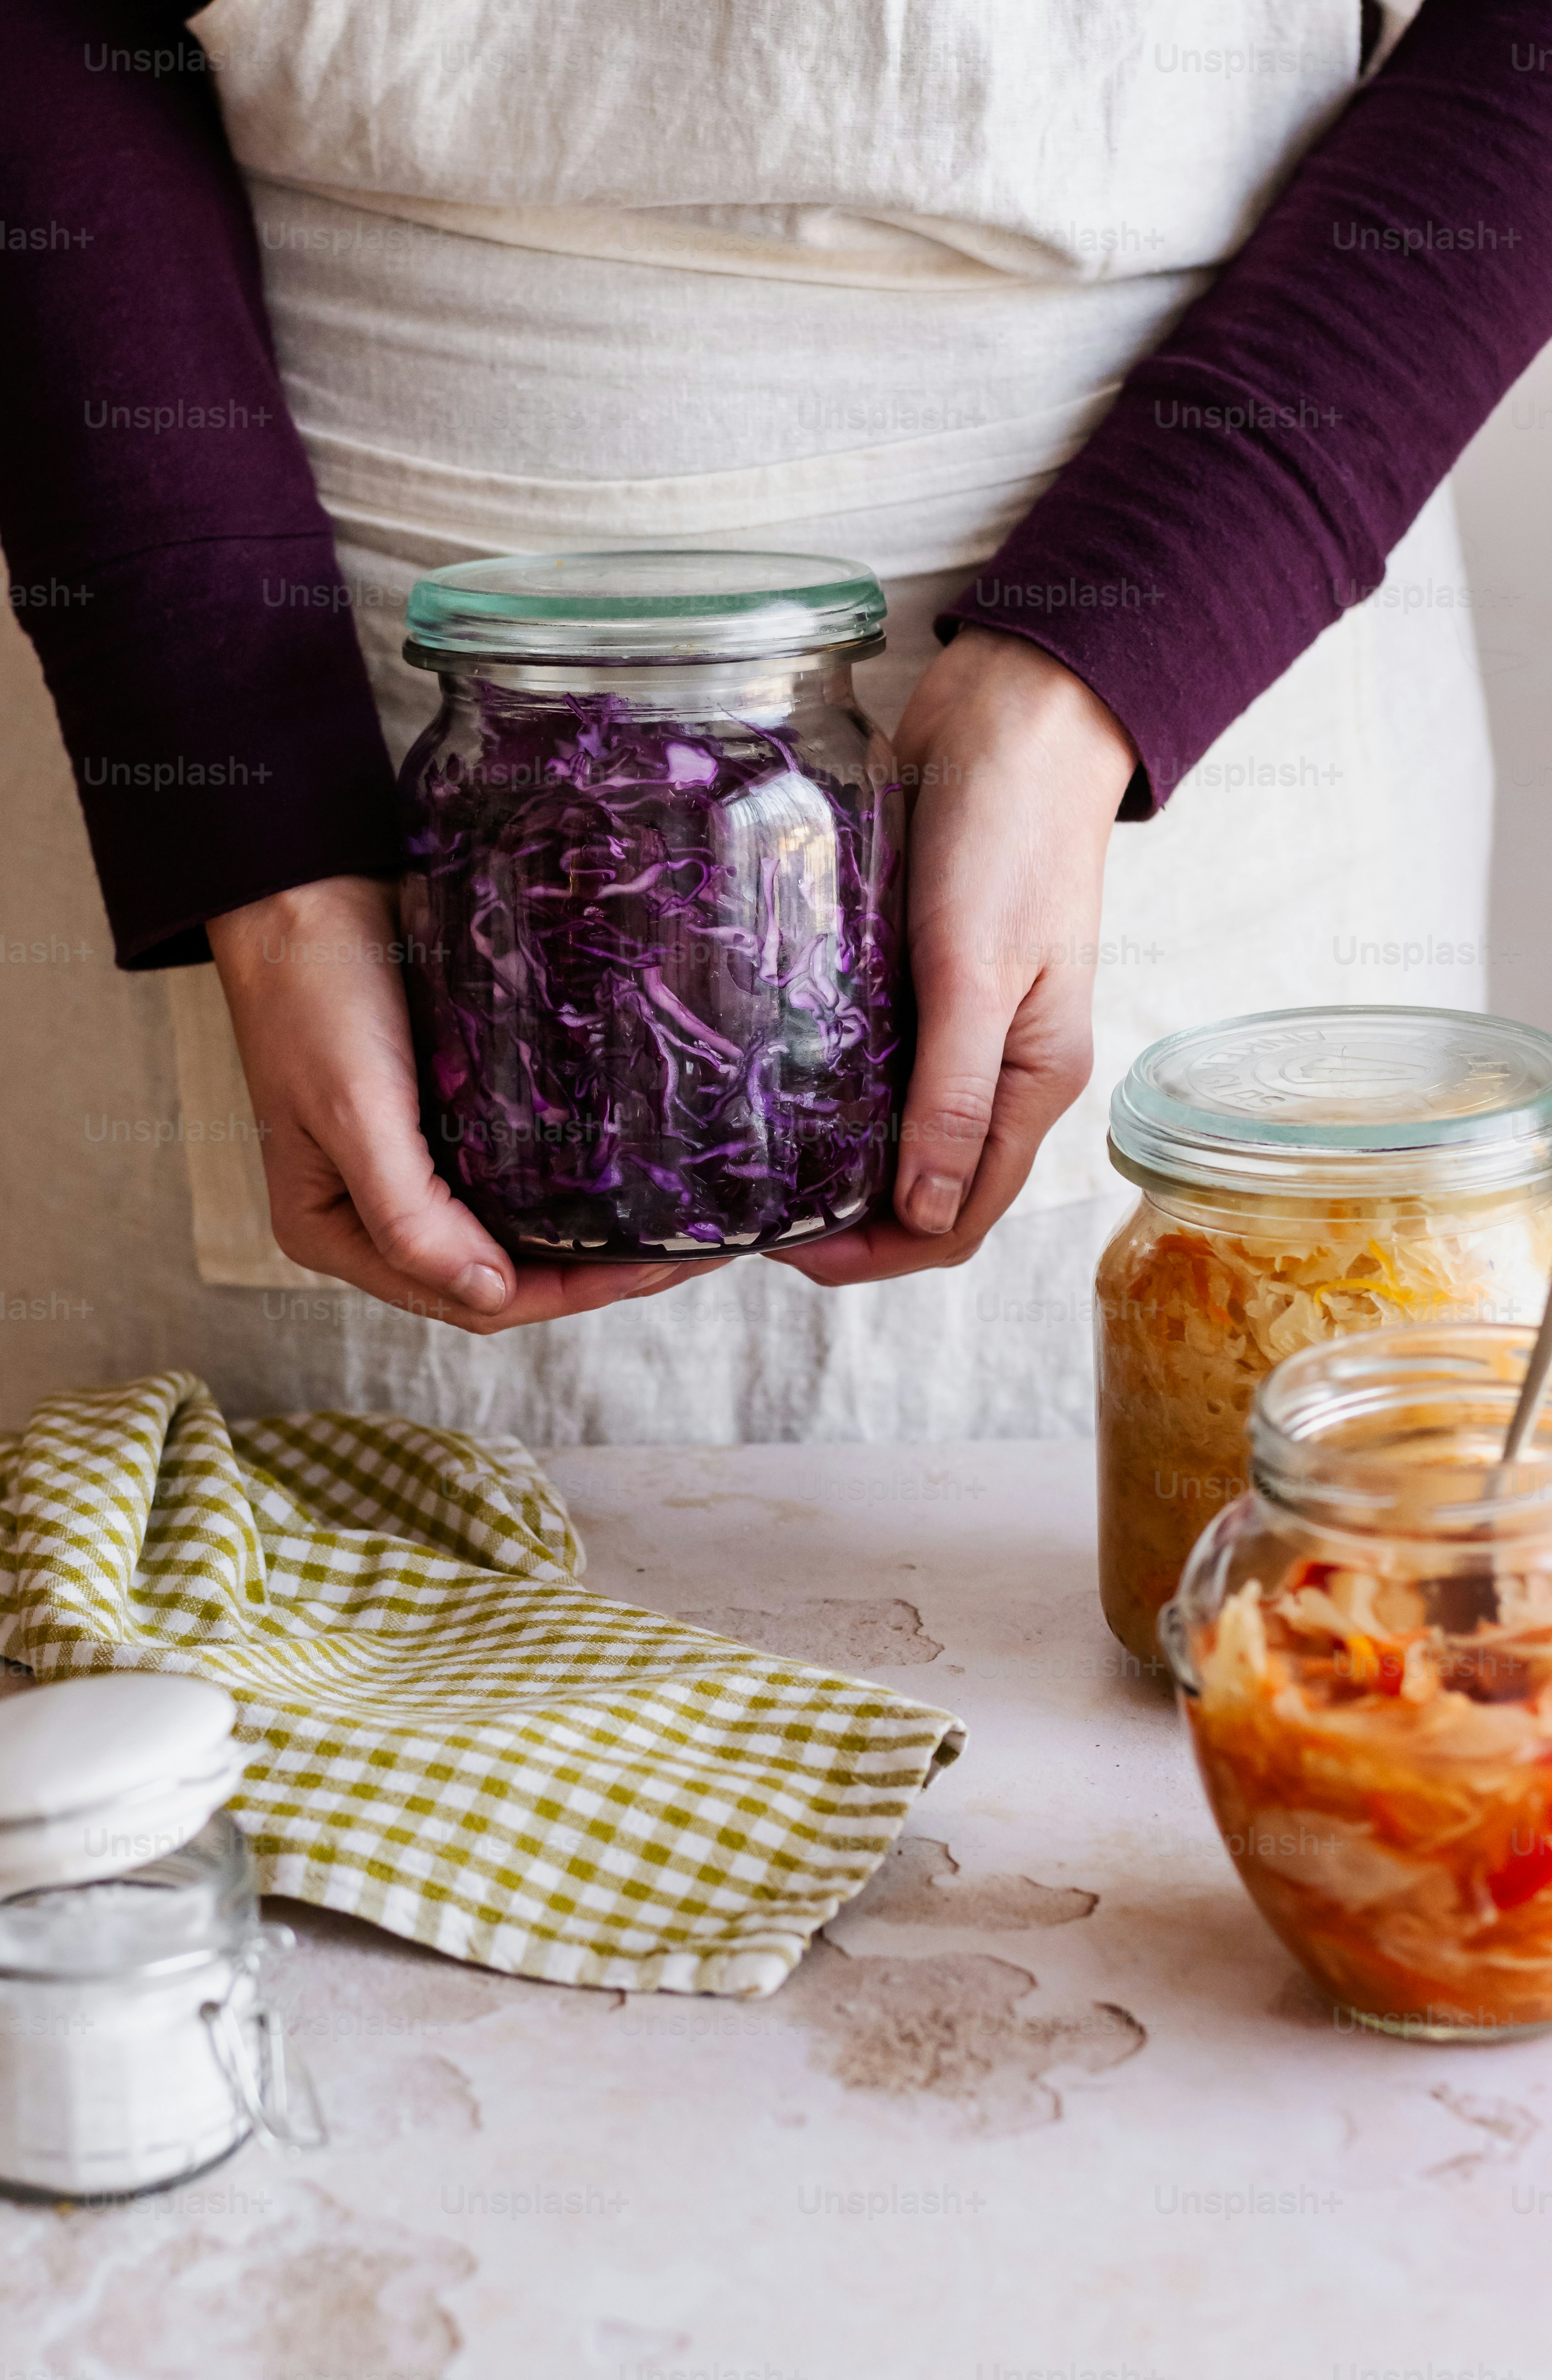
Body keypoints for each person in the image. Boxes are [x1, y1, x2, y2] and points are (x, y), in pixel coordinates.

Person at [1, 0, 1548, 1442]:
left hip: (1203, 642)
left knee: (1230, 1544)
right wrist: (257, 830)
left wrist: (1092, 678)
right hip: (271, 732)